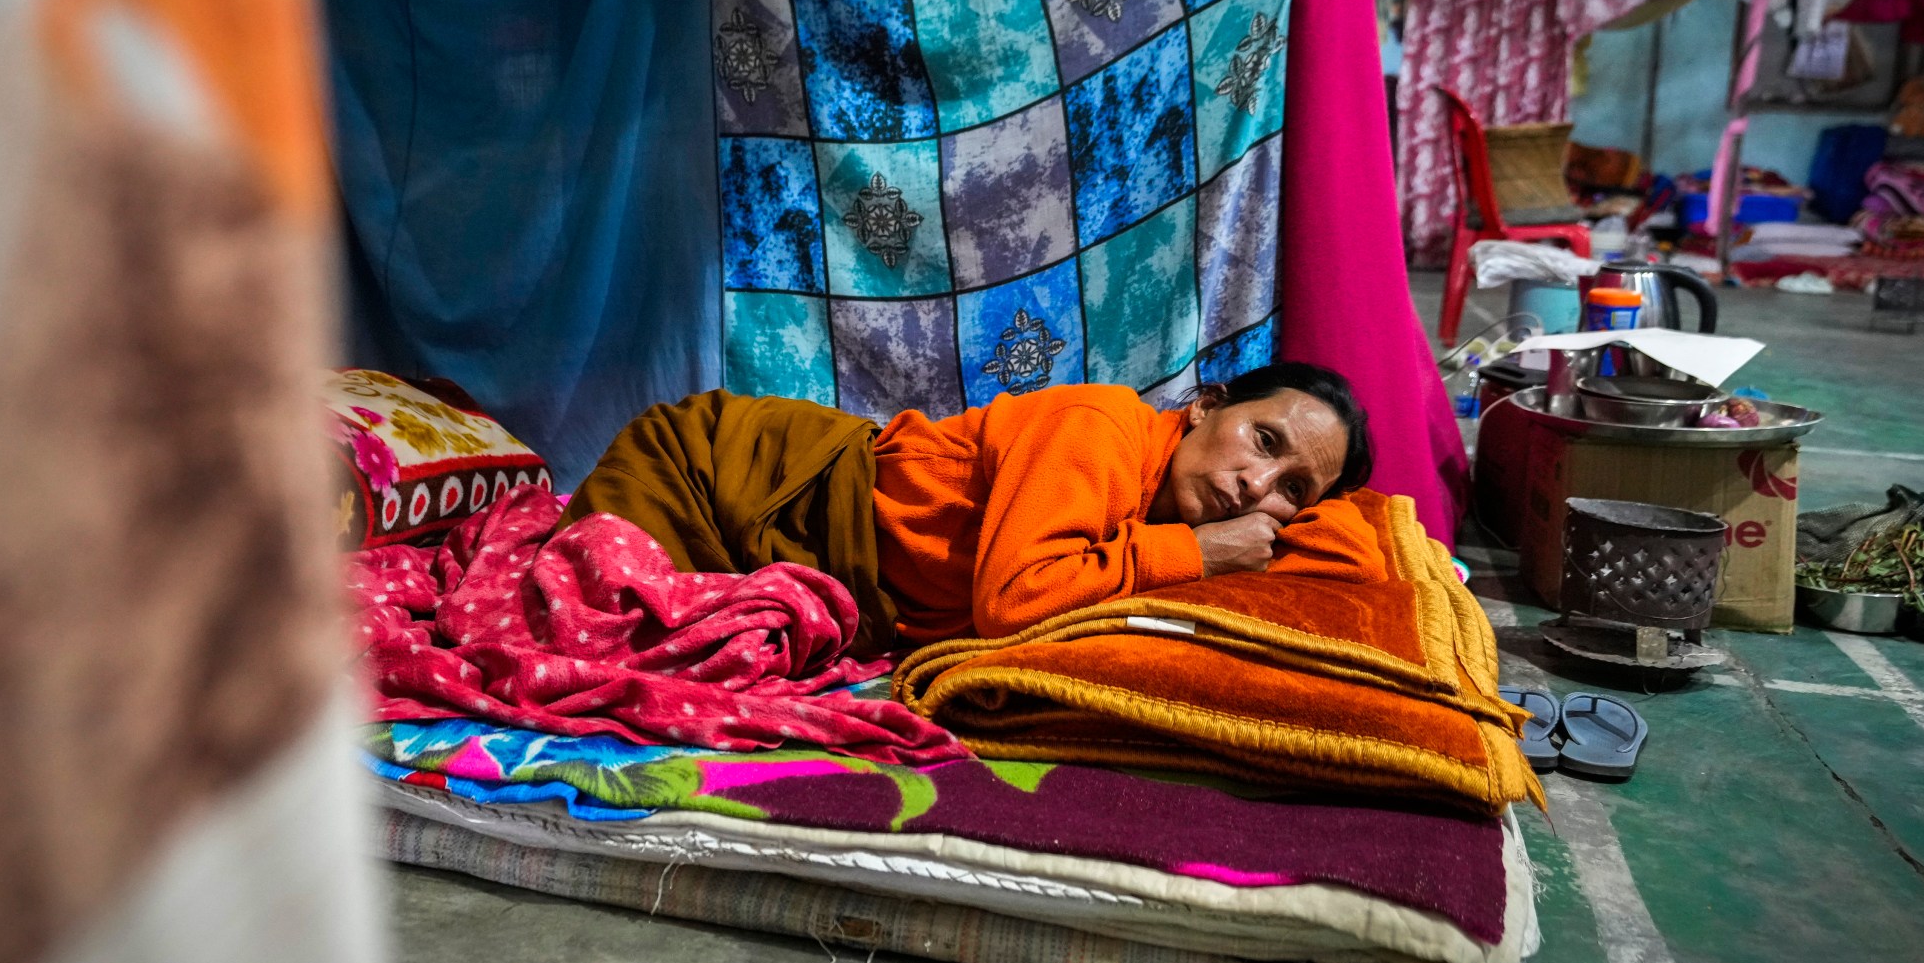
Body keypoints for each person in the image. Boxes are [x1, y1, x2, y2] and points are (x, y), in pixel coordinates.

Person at [565, 363, 1372, 653]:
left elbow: (1361, 552)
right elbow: (1012, 599)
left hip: (789, 551)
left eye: (1294, 488)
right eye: (1264, 442)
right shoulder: (1102, 429)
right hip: (713, 474)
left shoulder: (1179, 515)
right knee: (582, 623)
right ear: (1204, 405)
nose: (1255, 486)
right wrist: (1195, 556)